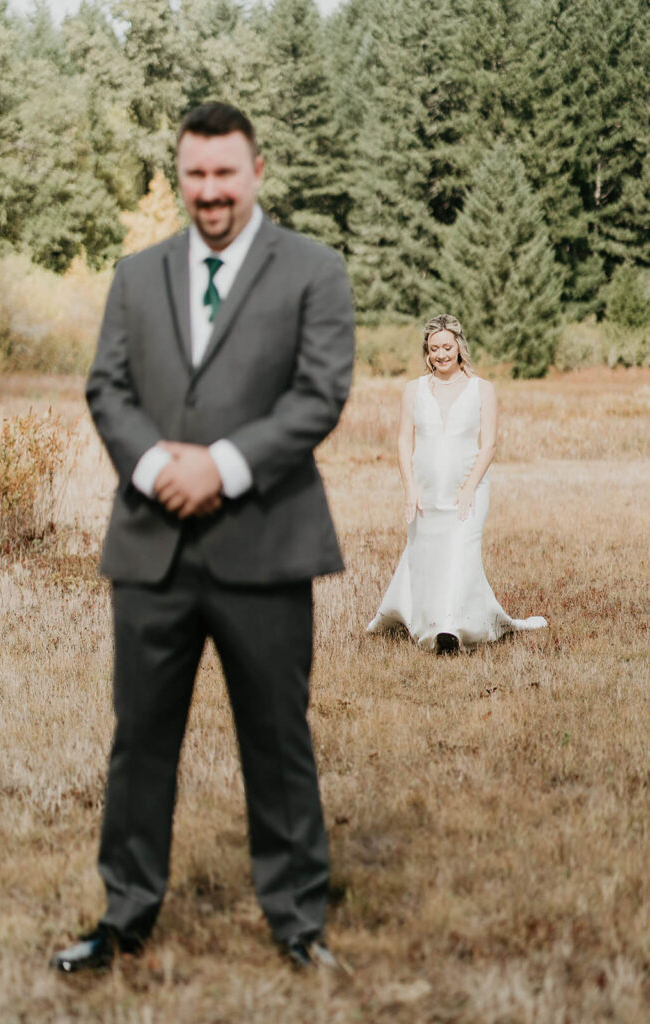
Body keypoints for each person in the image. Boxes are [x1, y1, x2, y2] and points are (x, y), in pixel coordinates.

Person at [50, 102, 354, 973]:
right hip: (151, 550)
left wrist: (220, 464)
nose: (209, 191)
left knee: (277, 737)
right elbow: (107, 388)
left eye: (225, 173)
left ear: (257, 170)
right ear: (178, 174)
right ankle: (124, 915)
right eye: (195, 174)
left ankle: (297, 921)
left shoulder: (313, 270)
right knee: (139, 739)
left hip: (265, 546)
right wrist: (155, 470)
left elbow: (318, 392)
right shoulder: (135, 273)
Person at [367, 314, 546, 653]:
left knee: (461, 551)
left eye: (447, 347)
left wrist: (468, 488)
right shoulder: (413, 390)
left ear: (460, 347)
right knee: (428, 556)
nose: (441, 354)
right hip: (426, 491)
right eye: (434, 349)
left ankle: (448, 629)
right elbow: (404, 442)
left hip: (470, 489)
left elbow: (489, 445)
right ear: (427, 351)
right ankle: (421, 615)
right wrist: (409, 488)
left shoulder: (483, 389)